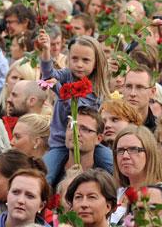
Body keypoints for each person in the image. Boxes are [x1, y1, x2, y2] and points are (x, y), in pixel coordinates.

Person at [37, 32, 111, 186]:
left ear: (96, 63)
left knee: (114, 165)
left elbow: (75, 107)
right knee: (44, 176)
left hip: (89, 144)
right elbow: (49, 74)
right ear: (68, 59)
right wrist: (46, 52)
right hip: (60, 143)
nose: (79, 64)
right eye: (74, 59)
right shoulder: (67, 75)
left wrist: (57, 86)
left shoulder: (96, 88)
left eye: (86, 60)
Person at [111, 126, 162, 224]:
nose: (125, 156)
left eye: (133, 149)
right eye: (120, 150)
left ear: (149, 153)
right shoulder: (115, 193)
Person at [121, 65, 158, 131]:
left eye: (140, 87)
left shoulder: (159, 129)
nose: (132, 93)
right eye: (128, 86)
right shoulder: (110, 125)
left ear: (152, 92)